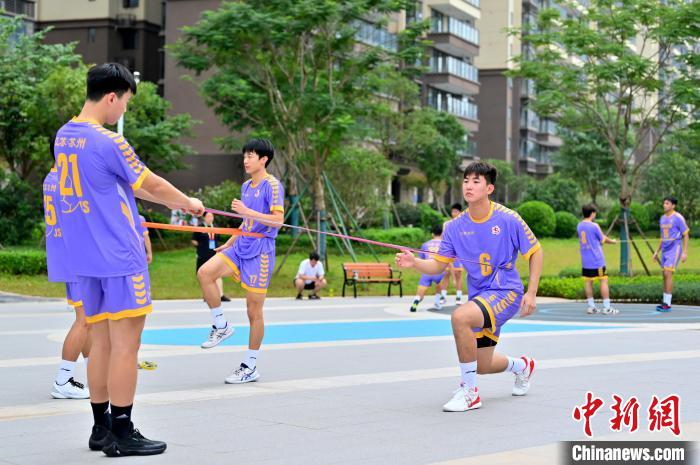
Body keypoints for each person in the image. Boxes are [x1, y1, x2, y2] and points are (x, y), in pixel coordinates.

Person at [55, 63, 204, 456]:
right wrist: (189, 203)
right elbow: (150, 185)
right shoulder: (109, 142)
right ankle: (123, 431)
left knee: (100, 342)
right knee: (126, 346)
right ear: (111, 97)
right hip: (119, 256)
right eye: (124, 103)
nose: (123, 111)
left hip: (85, 258)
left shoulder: (64, 136)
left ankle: (101, 428)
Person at [396, 161, 543, 412]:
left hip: (505, 291)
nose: (469, 186)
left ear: (489, 188)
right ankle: (522, 366)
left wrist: (531, 293)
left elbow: (535, 252)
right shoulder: (453, 227)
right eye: (466, 180)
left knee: (460, 317)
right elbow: (438, 266)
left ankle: (470, 392)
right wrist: (414, 263)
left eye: (476, 181)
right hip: (480, 296)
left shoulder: (508, 219)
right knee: (483, 365)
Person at [196, 138, 284, 384]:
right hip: (241, 244)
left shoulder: (273, 186)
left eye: (250, 156)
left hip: (261, 251)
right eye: (244, 156)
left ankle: (250, 365)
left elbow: (277, 221)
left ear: (263, 159)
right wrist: (231, 241)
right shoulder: (246, 187)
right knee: (205, 273)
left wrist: (247, 212)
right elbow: (246, 223)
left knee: (253, 311)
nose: (245, 160)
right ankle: (221, 325)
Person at [43, 142, 91, 400]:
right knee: (84, 319)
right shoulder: (67, 180)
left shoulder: (51, 177)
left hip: (67, 255)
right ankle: (63, 378)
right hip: (78, 258)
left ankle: (95, 372)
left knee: (89, 320)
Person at [577, 205, 618, 315]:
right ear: (592, 213)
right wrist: (613, 241)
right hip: (596, 260)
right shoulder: (594, 226)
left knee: (588, 282)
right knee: (603, 280)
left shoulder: (579, 226)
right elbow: (603, 239)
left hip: (585, 260)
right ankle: (607, 307)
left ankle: (591, 306)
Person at [652, 196, 689, 312]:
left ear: (673, 205)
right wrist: (657, 251)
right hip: (665, 249)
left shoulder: (678, 218)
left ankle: (667, 304)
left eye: (667, 203)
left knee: (668, 273)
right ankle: (664, 301)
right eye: (664, 203)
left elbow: (686, 235)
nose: (664, 205)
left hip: (675, 248)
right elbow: (662, 237)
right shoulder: (662, 218)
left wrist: (685, 252)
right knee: (664, 274)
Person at [192, 212, 230, 301]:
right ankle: (206, 295)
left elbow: (218, 239)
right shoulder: (199, 227)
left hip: (214, 254)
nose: (210, 218)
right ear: (204, 218)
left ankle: (220, 295)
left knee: (218, 274)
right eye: (208, 216)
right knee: (203, 275)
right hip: (203, 254)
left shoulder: (215, 226)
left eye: (212, 216)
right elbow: (194, 240)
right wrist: (200, 247)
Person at [409, 224, 447, 312]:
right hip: (439, 270)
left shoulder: (425, 244)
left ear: (432, 234)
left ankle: (416, 301)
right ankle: (437, 302)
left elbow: (421, 259)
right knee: (439, 286)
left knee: (421, 291)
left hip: (427, 269)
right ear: (442, 234)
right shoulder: (444, 244)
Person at [440, 203, 466, 305]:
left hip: (459, 253)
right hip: (448, 252)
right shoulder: (446, 224)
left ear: (460, 212)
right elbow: (443, 238)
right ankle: (443, 296)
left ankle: (458, 297)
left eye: (456, 211)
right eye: (452, 211)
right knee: (446, 274)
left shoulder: (464, 224)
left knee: (458, 274)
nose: (453, 213)